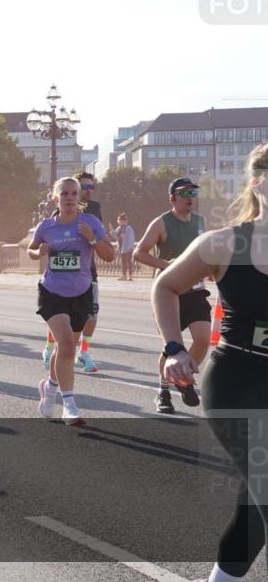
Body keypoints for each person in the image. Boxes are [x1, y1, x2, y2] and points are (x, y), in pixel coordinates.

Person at [151, 143, 268, 581]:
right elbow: (165, 287)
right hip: (237, 379)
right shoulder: (222, 243)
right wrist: (173, 348)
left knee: (256, 503)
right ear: (258, 183)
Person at [29, 177, 114, 426]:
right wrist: (39, 251)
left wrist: (92, 239)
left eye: (73, 193)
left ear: (79, 198)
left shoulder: (90, 222)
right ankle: (69, 404)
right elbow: (31, 250)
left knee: (64, 349)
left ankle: (50, 387)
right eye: (64, 193)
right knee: (66, 346)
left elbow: (110, 255)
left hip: (81, 293)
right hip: (52, 293)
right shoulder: (46, 226)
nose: (69, 197)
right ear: (56, 198)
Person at [134, 177, 210, 414]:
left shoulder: (201, 222)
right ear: (172, 198)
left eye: (192, 193)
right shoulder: (161, 223)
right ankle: (163, 390)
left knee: (203, 338)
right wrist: (168, 265)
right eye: (184, 193)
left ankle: (184, 378)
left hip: (196, 290)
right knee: (171, 347)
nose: (190, 198)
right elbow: (139, 253)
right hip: (169, 293)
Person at [41, 171, 109, 373]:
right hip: (59, 274)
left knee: (92, 315)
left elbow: (102, 239)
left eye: (90, 187)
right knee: (60, 316)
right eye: (84, 187)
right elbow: (48, 235)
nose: (88, 191)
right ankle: (49, 347)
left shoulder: (95, 209)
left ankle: (84, 352)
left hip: (87, 270)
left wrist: (94, 240)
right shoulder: (58, 213)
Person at [112, 213, 136, 280]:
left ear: (123, 221)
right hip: (122, 247)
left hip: (128, 248)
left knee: (129, 262)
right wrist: (112, 231)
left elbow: (131, 238)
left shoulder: (128, 228)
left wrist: (130, 247)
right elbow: (116, 236)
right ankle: (124, 275)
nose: (118, 221)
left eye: (119, 220)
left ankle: (130, 276)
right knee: (123, 262)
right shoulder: (119, 228)